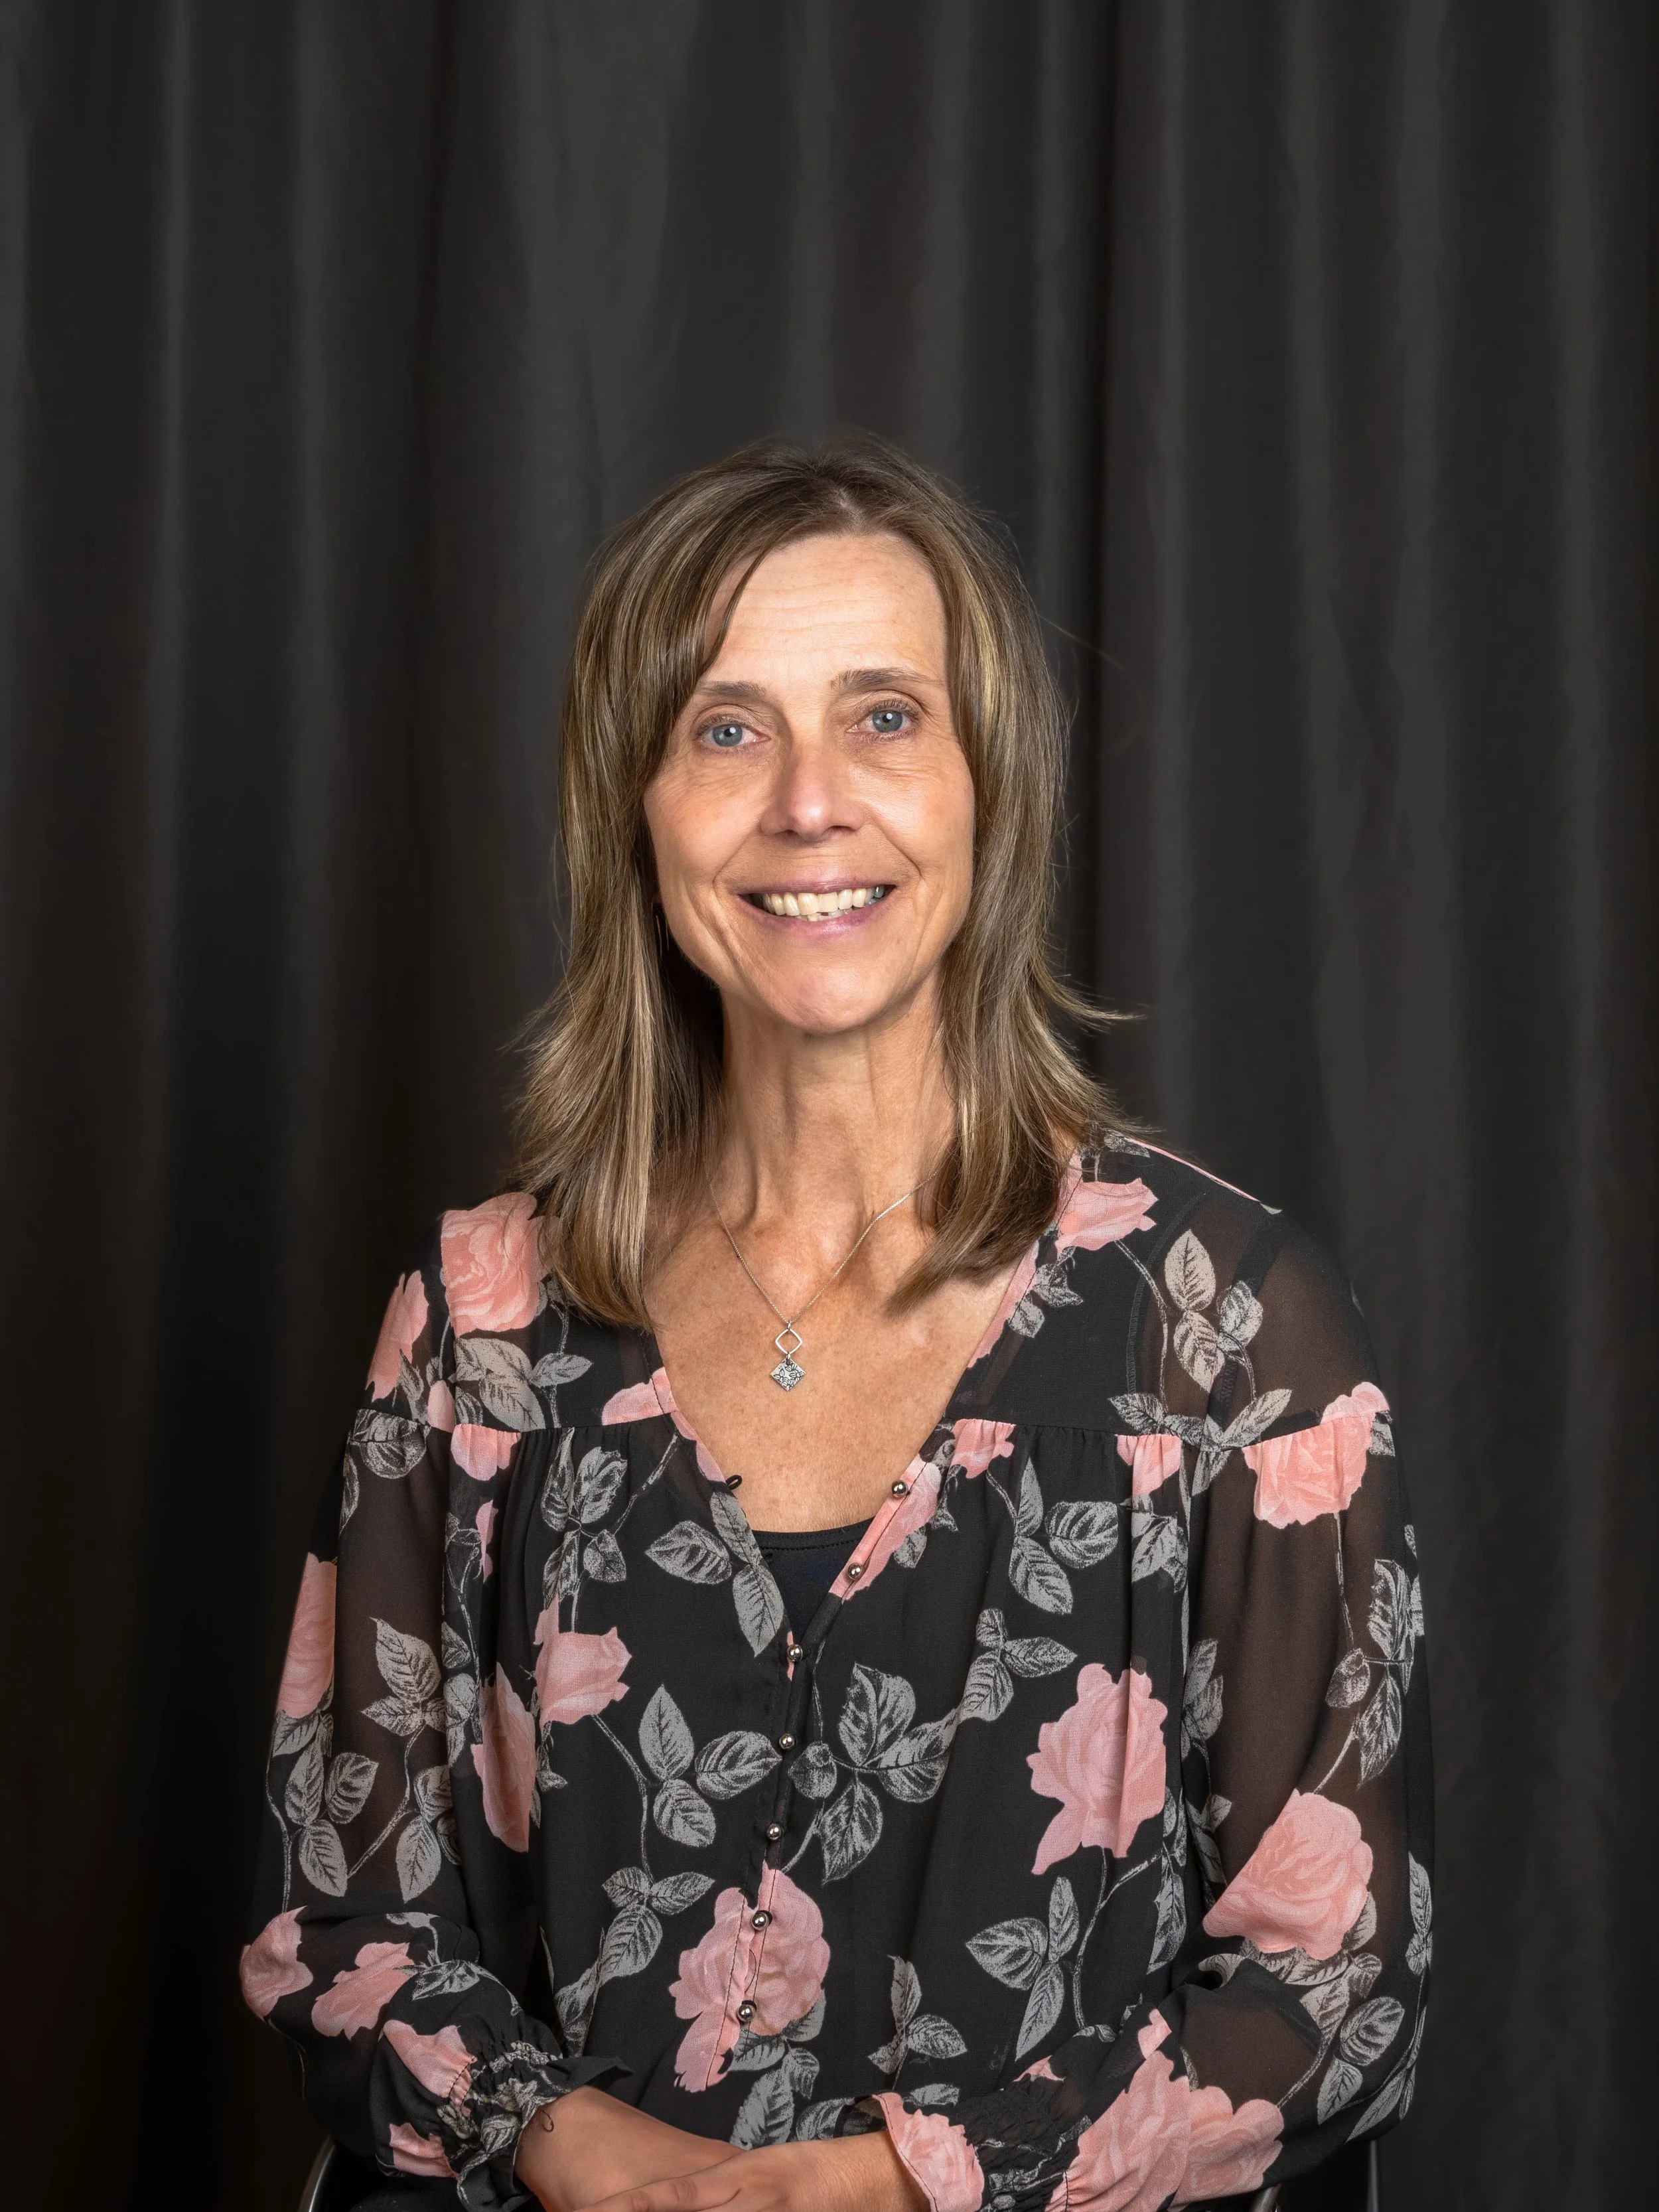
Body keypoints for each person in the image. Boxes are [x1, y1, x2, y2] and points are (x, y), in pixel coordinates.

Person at [242, 437, 1431, 2212]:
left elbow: (1336, 1993)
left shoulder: (1229, 1329)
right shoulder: (474, 1321)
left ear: (988, 785)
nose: (809, 801)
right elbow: (342, 1925)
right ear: (628, 804)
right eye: (724, 727)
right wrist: (598, 2160)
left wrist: (884, 2188)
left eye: (884, 716)